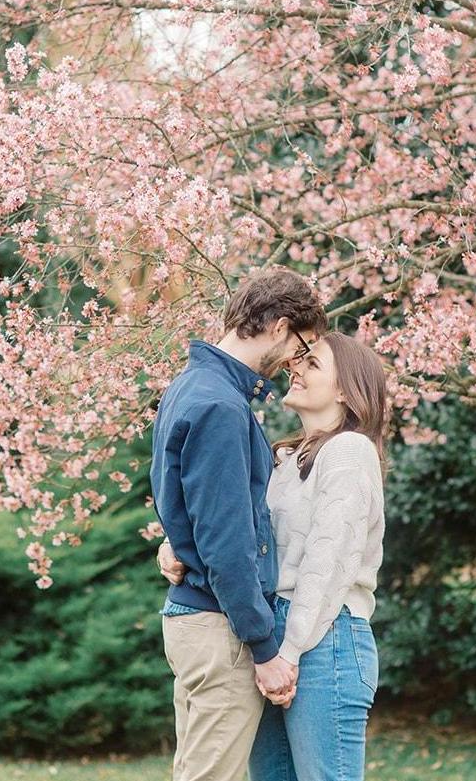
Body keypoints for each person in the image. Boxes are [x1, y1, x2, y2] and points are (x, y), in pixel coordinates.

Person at [159, 331, 387, 781]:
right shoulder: (283, 458)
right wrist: (173, 545)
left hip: (325, 638)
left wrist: (285, 653)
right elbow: (232, 528)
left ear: (346, 390)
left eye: (312, 363)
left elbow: (327, 566)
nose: (293, 368)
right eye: (297, 359)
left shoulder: (350, 451)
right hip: (270, 635)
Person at [150, 267, 328, 781]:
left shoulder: (191, 387)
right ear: (279, 325)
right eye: (301, 345)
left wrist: (174, 543)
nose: (296, 360)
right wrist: (264, 646)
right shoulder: (221, 406)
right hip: (219, 628)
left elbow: (182, 501)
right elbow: (227, 543)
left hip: (194, 620)